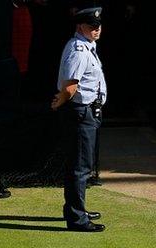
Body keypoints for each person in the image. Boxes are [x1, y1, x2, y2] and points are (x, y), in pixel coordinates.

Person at [50, 6, 107, 232]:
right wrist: (61, 100)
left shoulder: (87, 47)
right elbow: (71, 86)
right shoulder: (79, 50)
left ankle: (76, 208)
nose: (96, 29)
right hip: (81, 112)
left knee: (80, 164)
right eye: (92, 26)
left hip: (86, 112)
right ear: (79, 26)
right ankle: (77, 218)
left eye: (98, 26)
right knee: (80, 167)